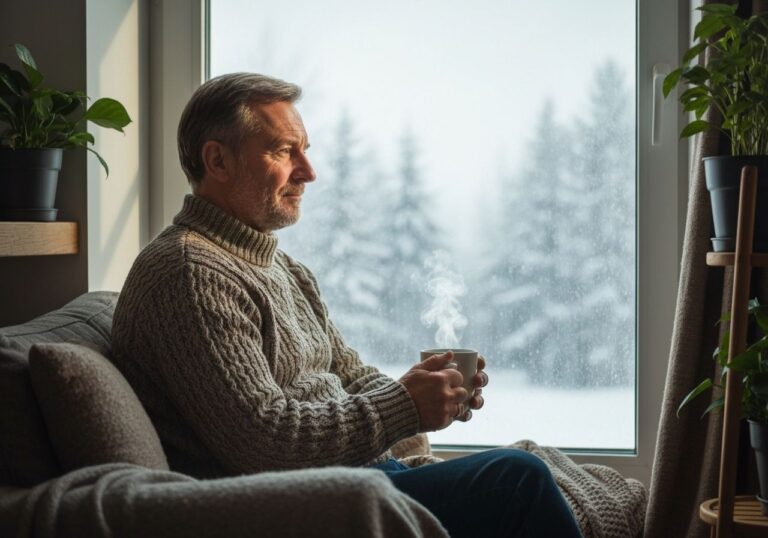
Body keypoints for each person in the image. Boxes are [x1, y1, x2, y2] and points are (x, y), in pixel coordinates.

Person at [112, 72, 582, 537]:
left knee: (535, 466)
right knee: (518, 479)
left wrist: (430, 391)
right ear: (217, 160)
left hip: (353, 478)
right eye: (284, 151)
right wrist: (404, 406)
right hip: (296, 507)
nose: (308, 171)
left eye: (305, 150)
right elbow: (265, 441)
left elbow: (350, 372)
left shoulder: (283, 267)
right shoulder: (190, 274)